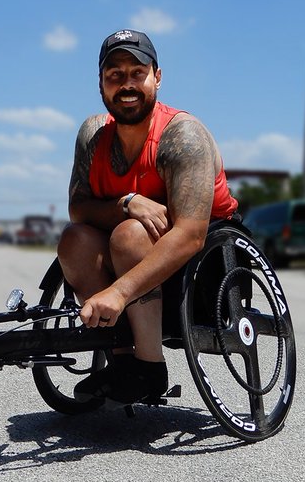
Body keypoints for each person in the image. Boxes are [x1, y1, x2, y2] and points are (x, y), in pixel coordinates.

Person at [58, 28, 238, 405]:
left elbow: (191, 234)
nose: (126, 84)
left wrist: (118, 292)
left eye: (137, 73)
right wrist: (128, 201)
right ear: (101, 84)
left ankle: (150, 366)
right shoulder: (93, 135)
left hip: (206, 269)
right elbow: (79, 208)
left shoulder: (183, 135)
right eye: (115, 75)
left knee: (129, 235)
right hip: (133, 265)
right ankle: (122, 360)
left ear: (157, 76)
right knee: (74, 239)